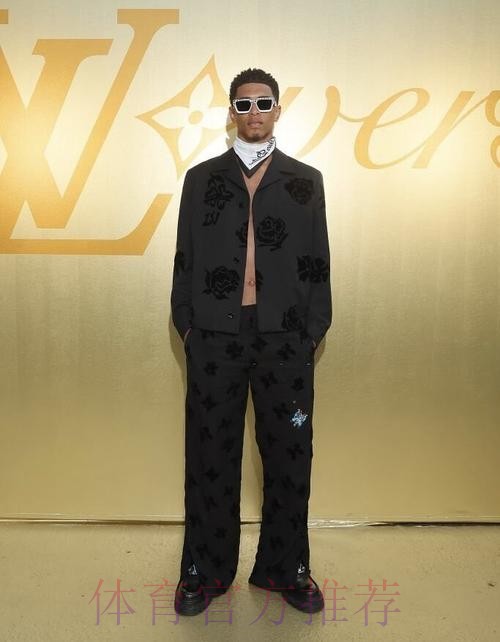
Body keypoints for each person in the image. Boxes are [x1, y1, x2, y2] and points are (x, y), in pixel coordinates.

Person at [171, 67, 332, 616]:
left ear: (278, 110)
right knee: (209, 455)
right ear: (231, 113)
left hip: (285, 339)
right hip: (214, 336)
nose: (254, 112)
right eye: (243, 104)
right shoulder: (201, 180)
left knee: (289, 456)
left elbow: (318, 261)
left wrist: (312, 330)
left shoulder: (305, 181)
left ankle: (287, 570)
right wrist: (187, 325)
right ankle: (203, 570)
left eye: (264, 103)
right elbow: (185, 257)